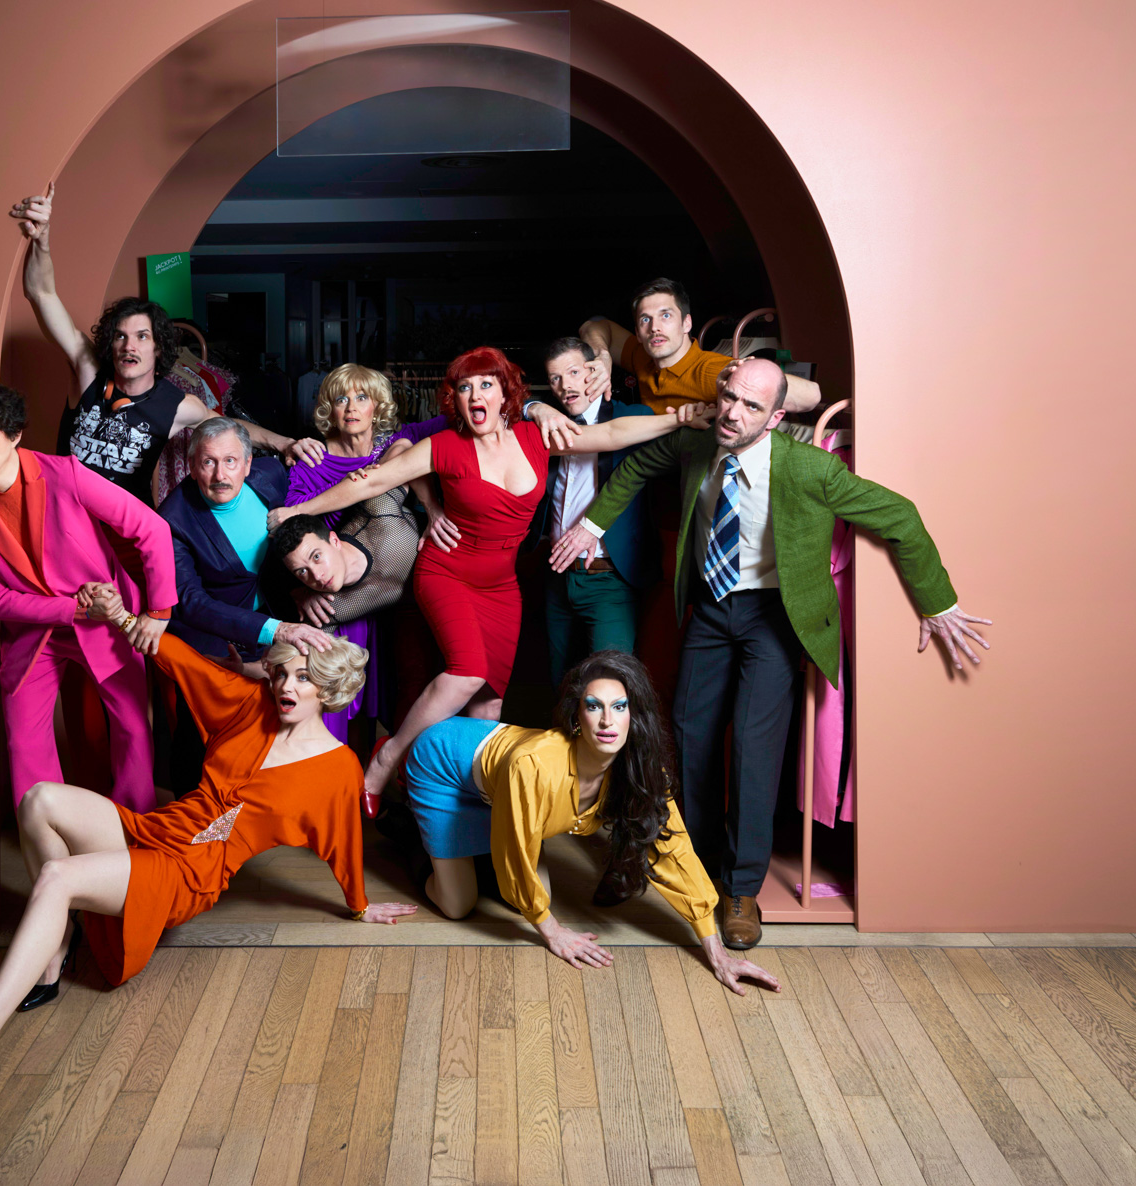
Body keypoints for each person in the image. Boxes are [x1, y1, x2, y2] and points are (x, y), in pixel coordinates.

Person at [0, 623, 417, 1123]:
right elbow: (179, 659)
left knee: (58, 877)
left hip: (191, 872)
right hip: (156, 827)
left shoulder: (337, 768)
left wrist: (360, 906)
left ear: (328, 689)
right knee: (38, 800)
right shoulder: (250, 706)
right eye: (281, 673)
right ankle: (53, 954)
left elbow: (344, 842)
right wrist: (126, 619)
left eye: (303, 678)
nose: (285, 686)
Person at [552, 358, 991, 948]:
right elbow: (634, 467)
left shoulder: (812, 468)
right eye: (729, 397)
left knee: (753, 753)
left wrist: (939, 604)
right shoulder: (695, 443)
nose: (733, 413)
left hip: (774, 618)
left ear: (776, 417)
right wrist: (594, 526)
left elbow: (900, 516)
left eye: (751, 406)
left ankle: (741, 889)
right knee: (687, 737)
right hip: (711, 608)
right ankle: (694, 867)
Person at [268, 346, 702, 815]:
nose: (475, 394)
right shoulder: (444, 446)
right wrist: (298, 511)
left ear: (505, 394)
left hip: (501, 587)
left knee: (489, 705)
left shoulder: (536, 436)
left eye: (486, 384)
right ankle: (387, 758)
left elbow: (611, 434)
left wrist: (679, 418)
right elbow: (371, 481)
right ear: (454, 399)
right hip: (446, 572)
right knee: (468, 671)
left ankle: (468, 806)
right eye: (464, 387)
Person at [402, 651, 777, 992]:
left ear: (634, 716)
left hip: (498, 782)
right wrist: (553, 933)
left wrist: (715, 951)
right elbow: (514, 849)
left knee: (535, 896)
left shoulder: (643, 772)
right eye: (594, 706)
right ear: (576, 717)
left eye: (619, 706)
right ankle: (408, 832)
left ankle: (471, 850)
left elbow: (672, 849)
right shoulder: (534, 767)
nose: (607, 720)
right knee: (459, 905)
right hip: (442, 763)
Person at [0, 384, 177, 811]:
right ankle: (46, 833)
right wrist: (74, 609)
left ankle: (133, 828)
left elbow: (151, 529)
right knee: (23, 741)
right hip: (37, 632)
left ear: (14, 434)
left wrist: (158, 612)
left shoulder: (64, 473)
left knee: (131, 728)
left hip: (110, 619)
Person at [9, 184, 320, 506]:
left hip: (128, 524)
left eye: (142, 336)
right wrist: (42, 240)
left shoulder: (176, 404)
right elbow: (41, 293)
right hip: (66, 515)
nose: (129, 346)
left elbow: (229, 427)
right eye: (120, 336)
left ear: (158, 348)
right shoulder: (88, 372)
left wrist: (283, 443)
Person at [528, 337, 661, 683]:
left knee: (611, 682)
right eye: (555, 378)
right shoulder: (547, 423)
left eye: (574, 372)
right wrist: (535, 407)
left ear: (595, 370)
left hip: (609, 579)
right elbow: (508, 411)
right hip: (557, 577)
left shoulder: (631, 418)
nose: (565, 385)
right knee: (560, 684)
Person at [159, 416, 336, 663]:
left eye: (230, 461)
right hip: (218, 639)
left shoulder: (272, 474)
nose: (220, 475)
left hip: (283, 608)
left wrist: (305, 585)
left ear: (248, 463)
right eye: (208, 462)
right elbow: (190, 601)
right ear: (192, 466)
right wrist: (277, 629)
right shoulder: (171, 521)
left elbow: (301, 536)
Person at [268, 500, 420, 741]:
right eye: (302, 572)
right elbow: (295, 662)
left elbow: (408, 476)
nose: (317, 576)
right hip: (411, 614)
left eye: (317, 557)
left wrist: (433, 510)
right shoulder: (328, 609)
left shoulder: (381, 516)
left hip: (454, 578)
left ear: (334, 540)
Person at [576, 277, 821, 414]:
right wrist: (602, 356)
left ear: (687, 323)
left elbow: (811, 395)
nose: (655, 327)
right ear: (638, 333)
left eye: (666, 315)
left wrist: (746, 375)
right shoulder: (642, 356)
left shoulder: (709, 370)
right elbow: (594, 324)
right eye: (645, 320)